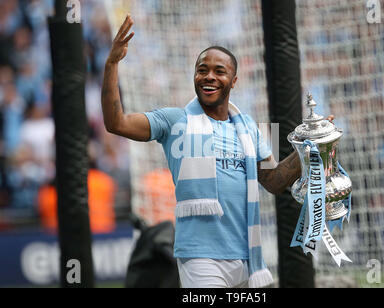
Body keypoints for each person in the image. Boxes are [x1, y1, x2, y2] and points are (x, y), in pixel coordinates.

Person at [101, 14, 330, 288]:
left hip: (249, 257)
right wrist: (112, 63)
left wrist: (309, 148)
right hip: (200, 257)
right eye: (202, 69)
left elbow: (274, 182)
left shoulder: (252, 129)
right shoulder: (175, 120)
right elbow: (116, 123)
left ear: (233, 81)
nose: (209, 76)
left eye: (219, 71)